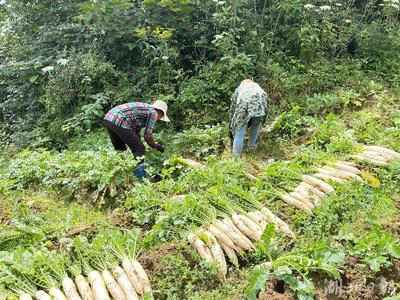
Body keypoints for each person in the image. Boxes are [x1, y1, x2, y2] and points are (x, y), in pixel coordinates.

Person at [103, 100, 170, 179]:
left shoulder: (145, 110)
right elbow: (147, 136)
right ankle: (141, 178)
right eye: (161, 117)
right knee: (139, 148)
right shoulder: (154, 113)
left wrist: (139, 144)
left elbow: (136, 133)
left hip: (109, 117)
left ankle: (121, 175)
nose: (158, 120)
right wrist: (156, 146)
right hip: (120, 119)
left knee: (120, 149)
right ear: (160, 112)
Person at [229, 79, 268, 158]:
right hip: (260, 100)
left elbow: (233, 109)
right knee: (256, 124)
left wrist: (232, 125)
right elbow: (266, 102)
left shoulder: (240, 88)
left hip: (244, 101)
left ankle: (235, 158)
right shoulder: (257, 86)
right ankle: (251, 147)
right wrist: (265, 118)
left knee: (240, 131)